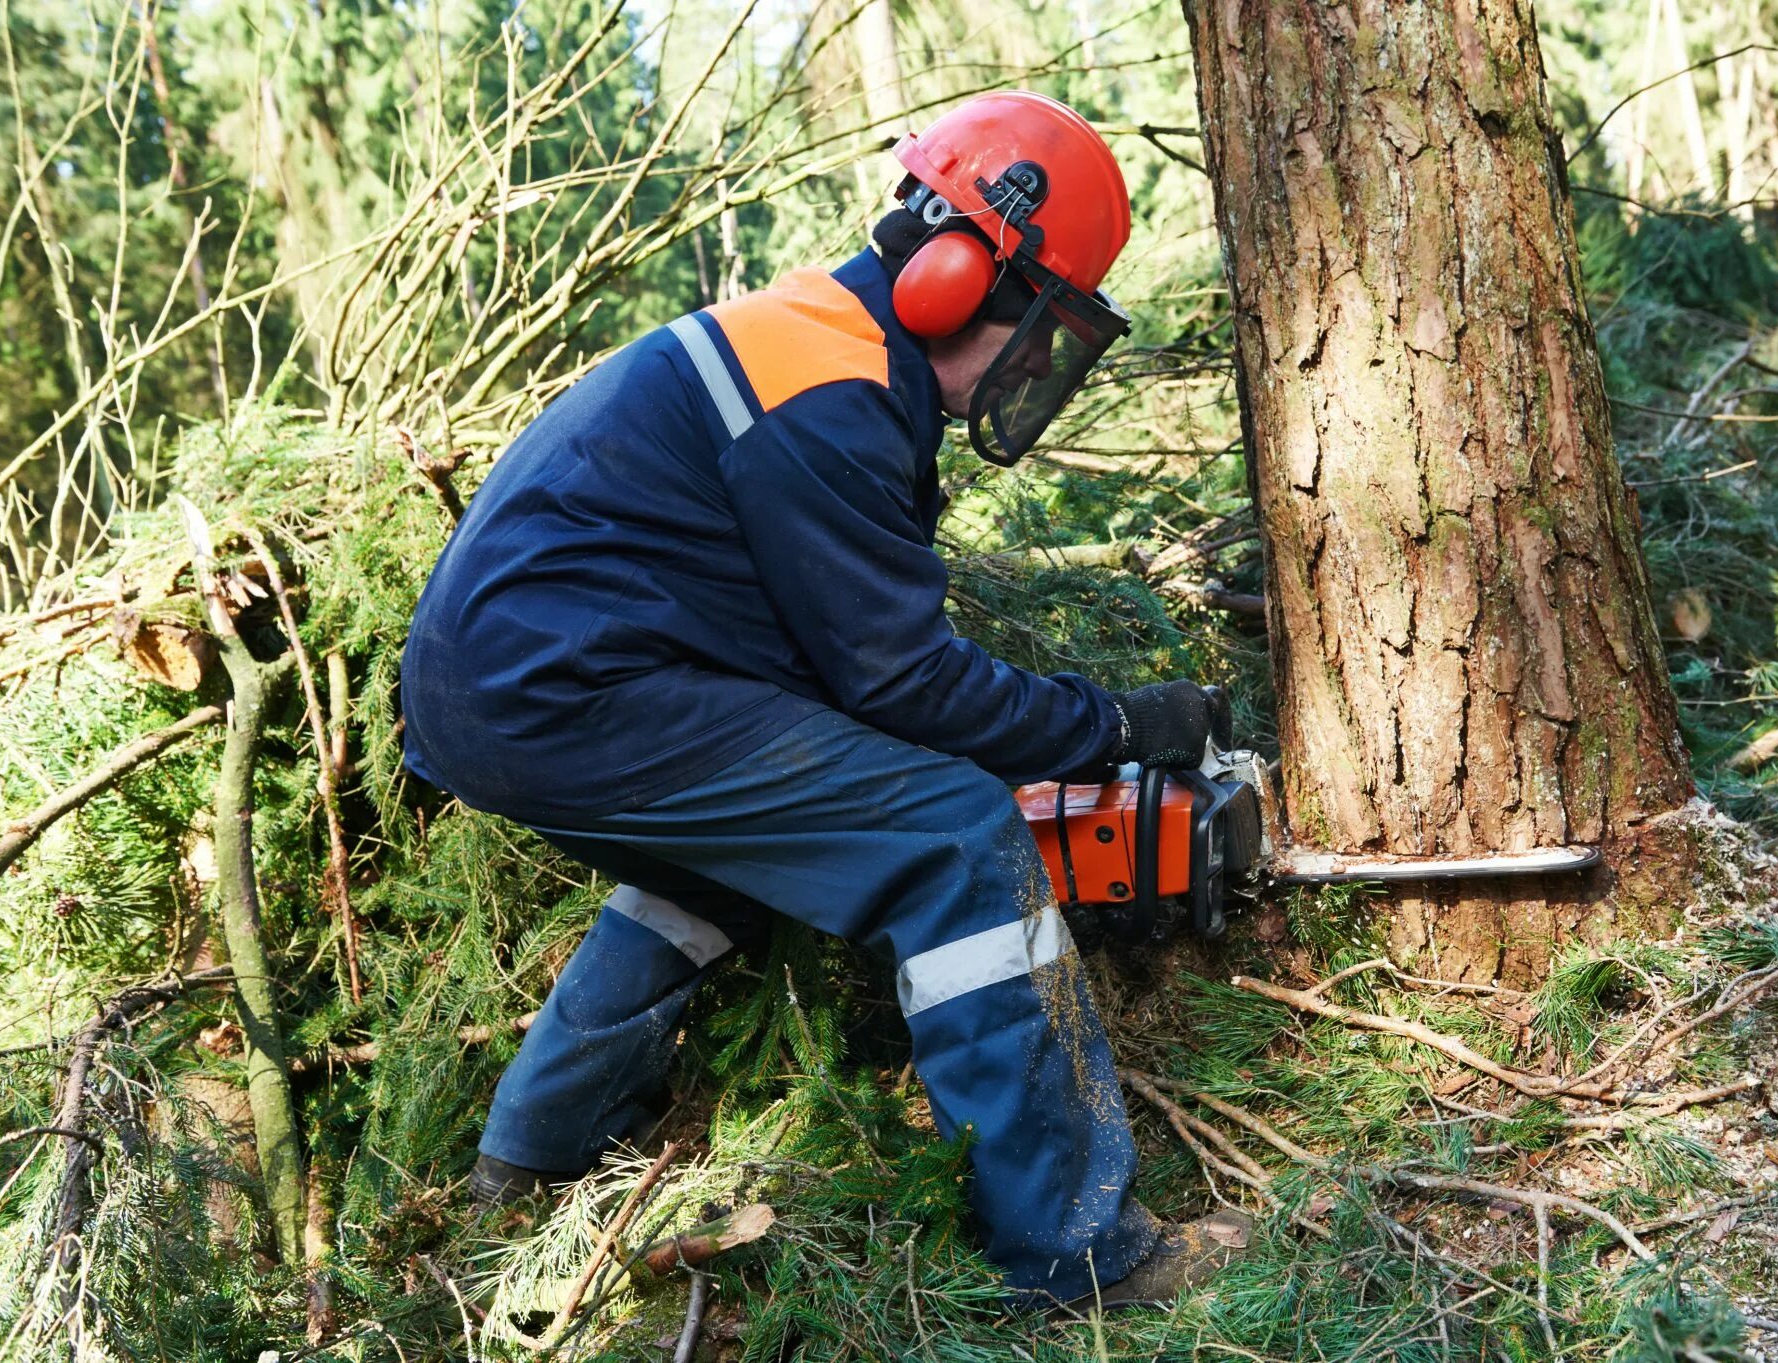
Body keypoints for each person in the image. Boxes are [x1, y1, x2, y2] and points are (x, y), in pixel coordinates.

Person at [399, 90, 1241, 1307]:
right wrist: (1111, 726)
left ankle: (524, 1162)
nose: (1036, 363)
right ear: (959, 278)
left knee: (715, 869)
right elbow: (904, 679)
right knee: (951, 838)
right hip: (567, 690)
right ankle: (1071, 1252)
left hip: (506, 691)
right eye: (1041, 327)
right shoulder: (825, 387)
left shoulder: (816, 345)